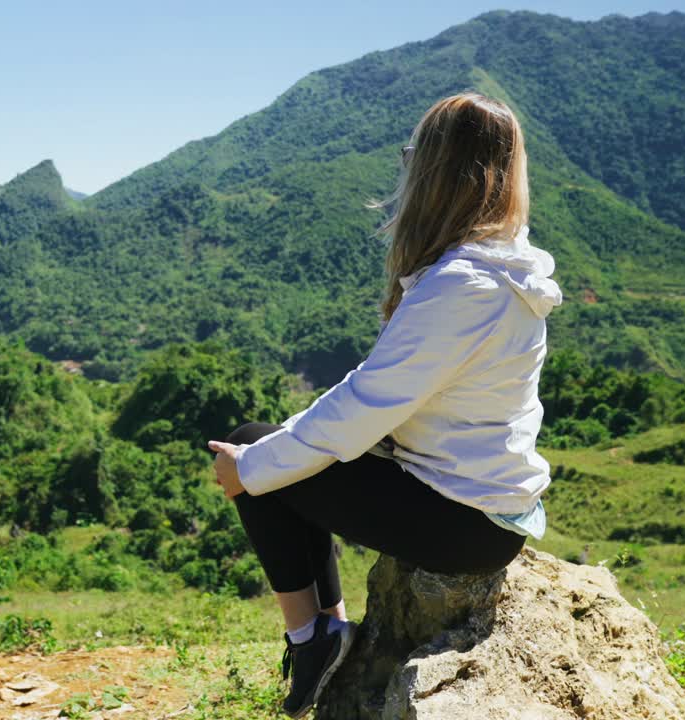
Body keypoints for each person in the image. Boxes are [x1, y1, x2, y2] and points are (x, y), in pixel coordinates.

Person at [206, 92, 562, 719]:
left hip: (462, 520)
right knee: (277, 446)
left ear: (436, 174)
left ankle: (309, 637)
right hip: (487, 505)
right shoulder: (509, 271)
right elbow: (381, 398)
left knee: (259, 456)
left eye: (412, 159)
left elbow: (364, 406)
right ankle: (330, 631)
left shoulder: (463, 286)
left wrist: (250, 470)